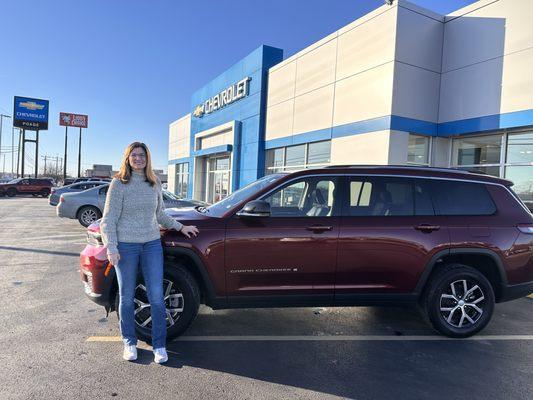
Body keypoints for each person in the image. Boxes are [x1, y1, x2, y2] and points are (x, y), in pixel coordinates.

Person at [100, 142, 199, 363]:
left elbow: (161, 215)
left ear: (147, 158)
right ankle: (129, 342)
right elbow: (108, 220)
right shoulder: (118, 184)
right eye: (134, 155)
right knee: (126, 298)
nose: (138, 158)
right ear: (127, 158)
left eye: (142, 155)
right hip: (126, 246)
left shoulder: (154, 183)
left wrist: (181, 227)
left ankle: (159, 345)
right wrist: (112, 248)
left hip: (152, 245)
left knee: (157, 297)